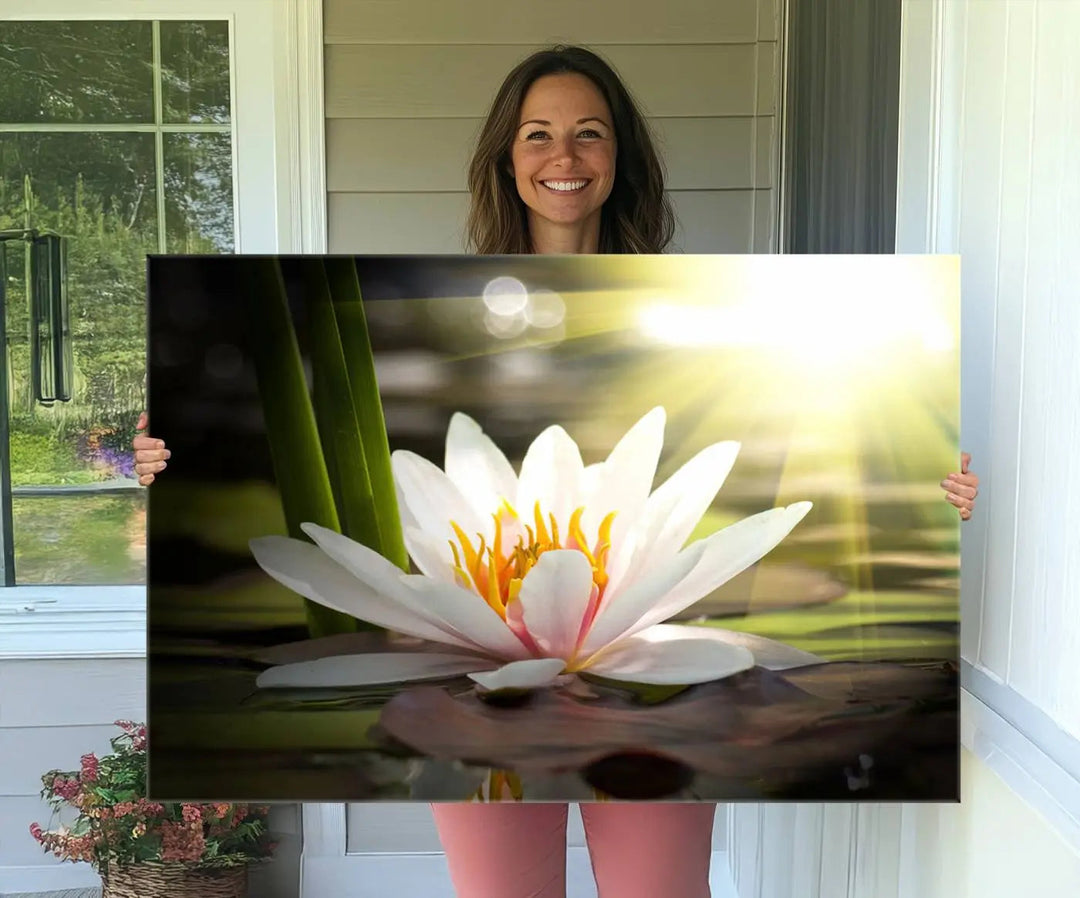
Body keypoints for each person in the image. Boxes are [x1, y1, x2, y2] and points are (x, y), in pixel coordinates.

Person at [133, 46, 979, 898]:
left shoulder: (708, 309)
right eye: (537, 135)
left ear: (621, 158)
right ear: (508, 158)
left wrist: (941, 500)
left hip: (649, 675)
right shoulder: (457, 301)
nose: (563, 157)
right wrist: (164, 463)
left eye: (589, 134)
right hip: (471, 685)